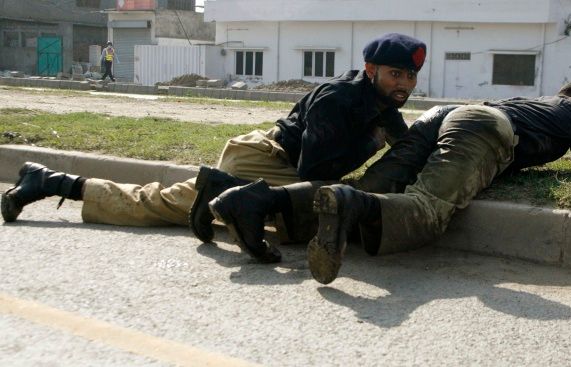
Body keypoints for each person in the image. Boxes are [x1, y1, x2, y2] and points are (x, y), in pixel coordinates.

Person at [1, 33, 427, 261]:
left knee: (160, 203)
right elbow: (311, 170)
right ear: (371, 69)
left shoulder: (382, 104)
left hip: (260, 160)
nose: (403, 85)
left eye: (409, 78)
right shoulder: (340, 98)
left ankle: (52, 181)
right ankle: (222, 187)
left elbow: (405, 144)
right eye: (395, 75)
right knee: (315, 208)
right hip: (266, 157)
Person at [207, 81, 571, 283]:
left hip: (441, 114)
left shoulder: (532, 105)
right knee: (428, 208)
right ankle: (353, 207)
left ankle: (257, 199)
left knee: (370, 187)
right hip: (482, 126)